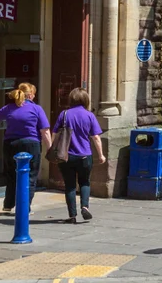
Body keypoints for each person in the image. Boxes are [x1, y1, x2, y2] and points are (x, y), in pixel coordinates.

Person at [0, 83, 50, 213]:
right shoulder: (36, 109)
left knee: (11, 175)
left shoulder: (10, 107)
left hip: (11, 144)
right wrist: (50, 148)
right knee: (30, 176)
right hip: (31, 144)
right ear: (30, 95)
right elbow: (45, 131)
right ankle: (24, 208)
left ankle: (8, 205)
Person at [50, 88, 105, 224]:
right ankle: (85, 206)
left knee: (69, 185)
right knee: (85, 181)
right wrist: (101, 155)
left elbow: (55, 134)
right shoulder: (89, 116)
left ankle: (72, 215)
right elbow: (96, 137)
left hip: (66, 156)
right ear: (85, 100)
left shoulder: (64, 114)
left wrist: (52, 150)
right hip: (85, 155)